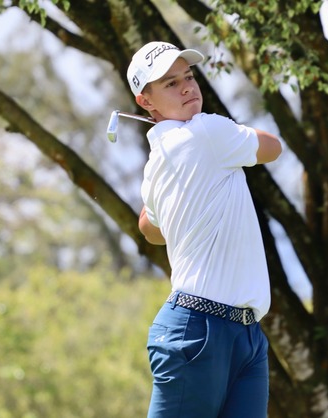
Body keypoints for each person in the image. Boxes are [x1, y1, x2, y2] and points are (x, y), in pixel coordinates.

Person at [126, 41, 282, 418]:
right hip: (198, 329)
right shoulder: (208, 131)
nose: (187, 88)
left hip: (245, 333)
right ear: (145, 101)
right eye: (169, 83)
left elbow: (149, 228)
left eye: (189, 76)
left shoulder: (156, 165)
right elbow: (272, 147)